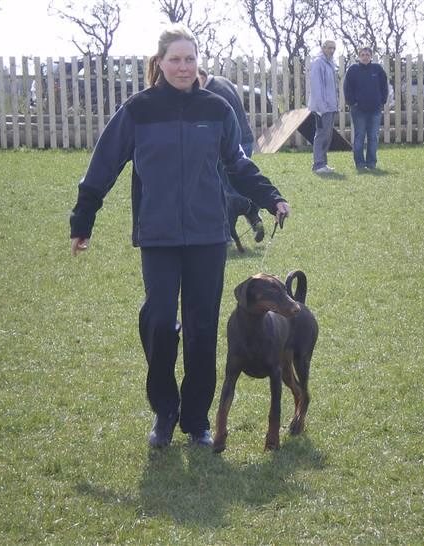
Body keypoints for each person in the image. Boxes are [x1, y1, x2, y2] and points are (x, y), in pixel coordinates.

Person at [69, 24, 290, 449]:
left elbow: (239, 165)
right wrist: (83, 220)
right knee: (158, 322)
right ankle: (164, 410)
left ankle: (196, 419)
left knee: (202, 329)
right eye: (175, 59)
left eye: (190, 59)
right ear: (160, 63)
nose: (183, 66)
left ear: (197, 63)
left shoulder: (216, 110)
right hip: (159, 237)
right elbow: (103, 165)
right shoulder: (139, 110)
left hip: (208, 237)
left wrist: (271, 198)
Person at [197, 67, 265, 244]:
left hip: (230, 142)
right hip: (246, 138)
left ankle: (225, 235)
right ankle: (253, 214)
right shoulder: (223, 81)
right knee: (238, 185)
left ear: (202, 77)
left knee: (224, 191)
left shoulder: (211, 92)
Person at [343, 46, 388, 170]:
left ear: (371, 56)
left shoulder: (377, 69)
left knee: (373, 137)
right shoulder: (353, 70)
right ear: (359, 56)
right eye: (362, 55)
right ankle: (360, 164)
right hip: (358, 111)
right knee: (359, 137)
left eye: (367, 54)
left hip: (375, 110)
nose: (365, 57)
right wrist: (353, 103)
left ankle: (371, 163)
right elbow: (347, 89)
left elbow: (384, 86)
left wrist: (382, 101)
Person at [308, 40, 338, 174]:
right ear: (323, 48)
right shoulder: (318, 63)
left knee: (327, 135)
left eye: (334, 48)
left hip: (330, 107)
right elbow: (316, 87)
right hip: (321, 108)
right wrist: (321, 107)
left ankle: (323, 163)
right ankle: (318, 165)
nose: (332, 51)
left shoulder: (330, 63)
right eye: (329, 48)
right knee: (321, 135)